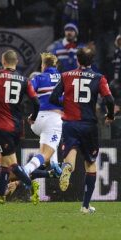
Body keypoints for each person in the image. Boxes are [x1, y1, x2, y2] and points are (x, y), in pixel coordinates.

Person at [49, 47, 114, 214]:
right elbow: (109, 99)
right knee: (90, 164)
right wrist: (110, 115)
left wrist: (67, 104)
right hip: (89, 125)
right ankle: (85, 206)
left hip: (70, 124)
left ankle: (67, 169)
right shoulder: (99, 78)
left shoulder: (65, 76)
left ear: (77, 60)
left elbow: (53, 97)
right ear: (92, 61)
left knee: (70, 156)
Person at [0, 50, 40, 202]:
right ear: (16, 62)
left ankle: (31, 184)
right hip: (17, 126)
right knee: (3, 161)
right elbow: (36, 102)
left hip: (2, 125)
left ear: (3, 61)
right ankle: (1, 195)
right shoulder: (24, 80)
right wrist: (33, 117)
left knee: (11, 163)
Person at [22, 53, 63, 178]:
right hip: (54, 120)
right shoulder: (64, 78)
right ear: (55, 65)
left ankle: (54, 163)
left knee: (47, 147)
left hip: (36, 121)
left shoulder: (39, 78)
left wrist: (33, 114)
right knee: (45, 155)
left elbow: (27, 90)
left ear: (43, 65)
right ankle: (25, 170)